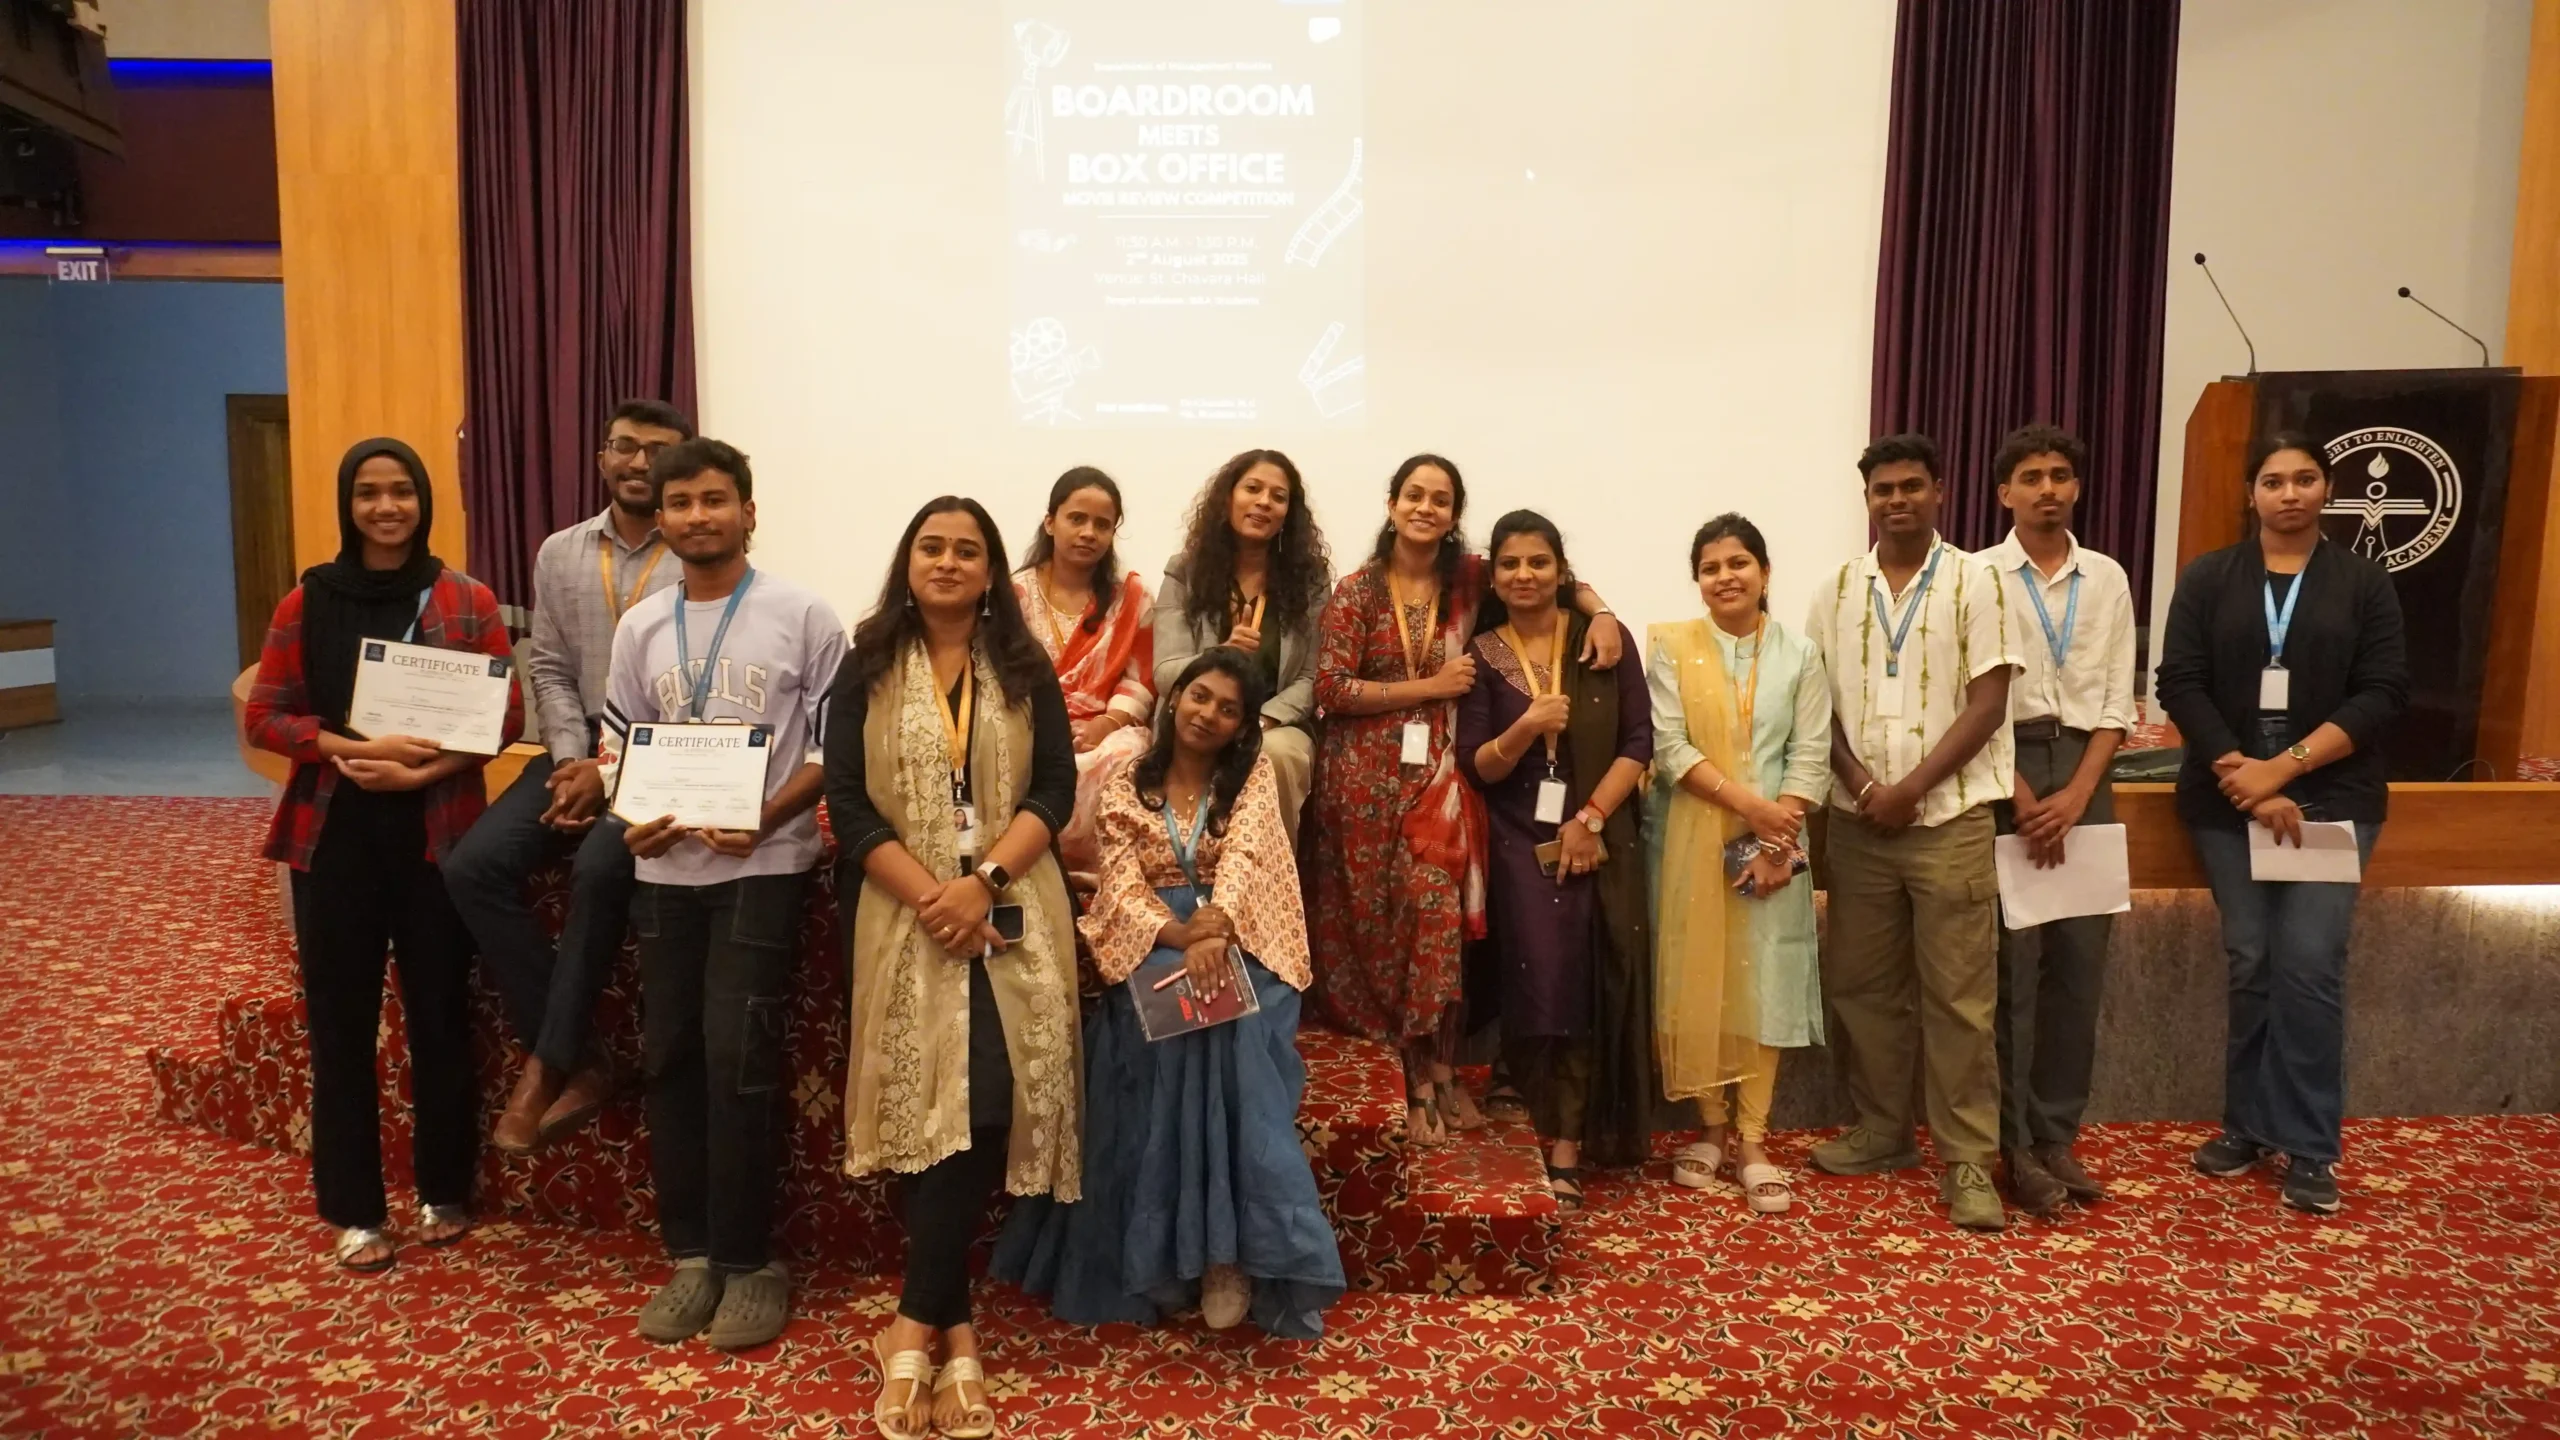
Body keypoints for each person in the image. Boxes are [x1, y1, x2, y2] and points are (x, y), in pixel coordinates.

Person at [992, 648, 1344, 1336]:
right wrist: (1178, 935)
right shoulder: (1129, 779)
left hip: (1241, 932)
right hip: (1153, 935)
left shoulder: (1253, 776)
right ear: (1175, 697)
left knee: (1228, 1019)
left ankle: (1225, 1256)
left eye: (1228, 709)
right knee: (1166, 1014)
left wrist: (1216, 930)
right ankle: (1169, 1253)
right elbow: (1120, 879)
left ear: (1243, 725)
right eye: (1199, 696)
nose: (1208, 714)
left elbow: (1248, 859)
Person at [824, 497, 1081, 1440]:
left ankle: (912, 1326)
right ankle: (955, 1333)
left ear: (989, 572)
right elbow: (848, 803)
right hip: (902, 912)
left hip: (1012, 906)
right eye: (930, 547)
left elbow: (1054, 786)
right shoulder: (865, 663)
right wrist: (937, 898)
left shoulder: (1022, 665)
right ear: (908, 561)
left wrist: (983, 883)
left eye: (966, 550)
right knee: (927, 1103)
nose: (946, 561)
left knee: (988, 1102)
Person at [244, 437, 520, 1272]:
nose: (386, 507)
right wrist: (344, 749)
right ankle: (355, 1210)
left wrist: (422, 769)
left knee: (439, 1018)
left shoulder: (466, 598)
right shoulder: (305, 603)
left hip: (436, 839)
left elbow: (503, 717)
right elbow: (265, 717)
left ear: (423, 500)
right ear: (348, 504)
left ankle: (444, 1190)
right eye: (368, 493)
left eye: (401, 491)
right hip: (333, 841)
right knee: (340, 1025)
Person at [603, 438, 845, 1351]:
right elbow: (619, 742)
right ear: (660, 518)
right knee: (670, 1056)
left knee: (739, 1059)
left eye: (714, 500)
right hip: (663, 871)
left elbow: (830, 747)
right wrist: (633, 816)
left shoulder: (803, 614)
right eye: (681, 503)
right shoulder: (641, 627)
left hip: (761, 867)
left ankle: (750, 1261)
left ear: (748, 511)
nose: (697, 516)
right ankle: (692, 1254)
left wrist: (767, 814)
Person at [1305, 455, 1624, 1145]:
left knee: (1436, 915)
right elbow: (1330, 689)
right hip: (1360, 785)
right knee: (1378, 929)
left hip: (1443, 779)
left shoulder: (1470, 579)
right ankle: (1408, 1072)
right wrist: (1429, 687)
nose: (1426, 507)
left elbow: (1556, 578)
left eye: (1440, 499)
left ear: (1454, 514)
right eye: (1414, 495)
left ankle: (1440, 1068)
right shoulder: (1357, 592)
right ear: (1392, 504)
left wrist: (1602, 613)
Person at [2155, 432, 2407, 1216]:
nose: (2289, 493)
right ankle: (2245, 1126)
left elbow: (2382, 693)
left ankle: (2308, 1144)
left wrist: (2285, 768)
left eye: (2304, 479)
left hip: (2332, 800)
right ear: (2251, 494)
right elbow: (2180, 682)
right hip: (2228, 799)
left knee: (2309, 964)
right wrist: (2248, 778)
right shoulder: (2210, 577)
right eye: (2273, 481)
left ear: (2326, 489)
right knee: (2251, 960)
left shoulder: (2363, 583)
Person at [444, 398, 692, 1154]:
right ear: (601, 457)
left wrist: (607, 774)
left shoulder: (697, 552)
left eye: (658, 451)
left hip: (661, 756)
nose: (639, 462)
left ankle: (545, 1066)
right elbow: (548, 666)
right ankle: (582, 1055)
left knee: (597, 867)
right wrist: (567, 762)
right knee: (472, 866)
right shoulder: (560, 552)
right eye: (625, 446)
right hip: (571, 748)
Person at [1804, 433, 2020, 1231]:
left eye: (1911, 486)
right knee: (1862, 989)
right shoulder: (1835, 589)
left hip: (1950, 821)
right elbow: (1815, 706)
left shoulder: (1978, 580)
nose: (1896, 500)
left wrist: (1911, 790)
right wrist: (1867, 789)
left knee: (1960, 999)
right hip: (1860, 824)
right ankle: (1883, 1131)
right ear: (1866, 499)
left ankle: (1968, 1162)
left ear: (1940, 491)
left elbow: (1989, 703)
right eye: (1882, 489)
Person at [1456, 511, 1655, 1211]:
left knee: (1587, 980)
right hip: (1517, 838)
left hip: (1599, 831)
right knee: (1540, 977)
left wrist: (1590, 819)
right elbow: (1477, 765)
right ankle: (1532, 1127)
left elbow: (1638, 741)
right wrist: (1526, 727)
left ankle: (1569, 1144)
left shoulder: (1601, 640)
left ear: (1562, 570)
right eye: (1510, 564)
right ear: (1493, 576)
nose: (1525, 575)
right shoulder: (1483, 654)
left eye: (1538, 562)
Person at [1645, 513, 1831, 1215]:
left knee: (1764, 981)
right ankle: (1711, 1129)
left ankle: (1754, 1139)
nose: (1725, 577)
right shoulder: (1671, 647)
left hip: (1776, 844)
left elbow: (1810, 751)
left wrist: (1777, 843)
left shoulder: (1800, 655)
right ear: (1697, 581)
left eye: (1738, 563)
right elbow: (1670, 746)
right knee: (1702, 977)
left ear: (1764, 571)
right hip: (1692, 838)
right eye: (1710, 567)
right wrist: (1754, 810)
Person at [1978, 424, 2137, 1217]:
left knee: (2079, 969)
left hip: (2084, 773)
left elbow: (2116, 700)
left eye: (2061, 475)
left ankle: (2056, 1136)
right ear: (2004, 493)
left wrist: (2076, 795)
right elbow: (1967, 697)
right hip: (2003, 769)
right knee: (2013, 973)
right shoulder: (1977, 576)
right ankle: (2011, 1145)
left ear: (2077, 487)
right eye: (2032, 476)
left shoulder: (2106, 577)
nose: (2048, 488)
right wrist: (2016, 791)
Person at [1153, 449, 1333, 836]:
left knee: (1275, 754)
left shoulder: (1311, 580)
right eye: (1252, 489)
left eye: (1278, 496)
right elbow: (1166, 672)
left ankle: (1270, 867)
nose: (1264, 502)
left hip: (1275, 721)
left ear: (1288, 514)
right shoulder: (1185, 571)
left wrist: (1259, 722)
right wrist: (1221, 656)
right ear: (1228, 497)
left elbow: (1312, 677)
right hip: (1196, 716)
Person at [1012, 465, 1154, 872]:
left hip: (1103, 725)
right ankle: (1033, 864)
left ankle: (1103, 872)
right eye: (1077, 519)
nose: (1089, 533)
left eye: (1102, 524)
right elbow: (1002, 675)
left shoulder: (1132, 597)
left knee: (1127, 753)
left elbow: (1138, 678)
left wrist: (1106, 725)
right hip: (1029, 723)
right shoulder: (1013, 594)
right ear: (1050, 522)